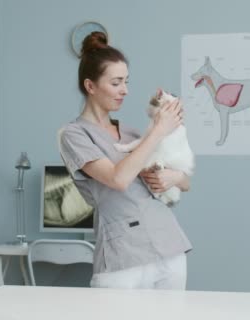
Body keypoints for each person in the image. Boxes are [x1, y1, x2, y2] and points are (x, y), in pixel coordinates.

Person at [58, 31, 193, 290]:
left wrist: (173, 177)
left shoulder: (132, 133)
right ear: (90, 86)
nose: (125, 91)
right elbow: (117, 179)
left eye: (126, 82)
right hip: (123, 255)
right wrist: (158, 130)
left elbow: (185, 182)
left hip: (168, 245)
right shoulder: (74, 135)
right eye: (117, 83)